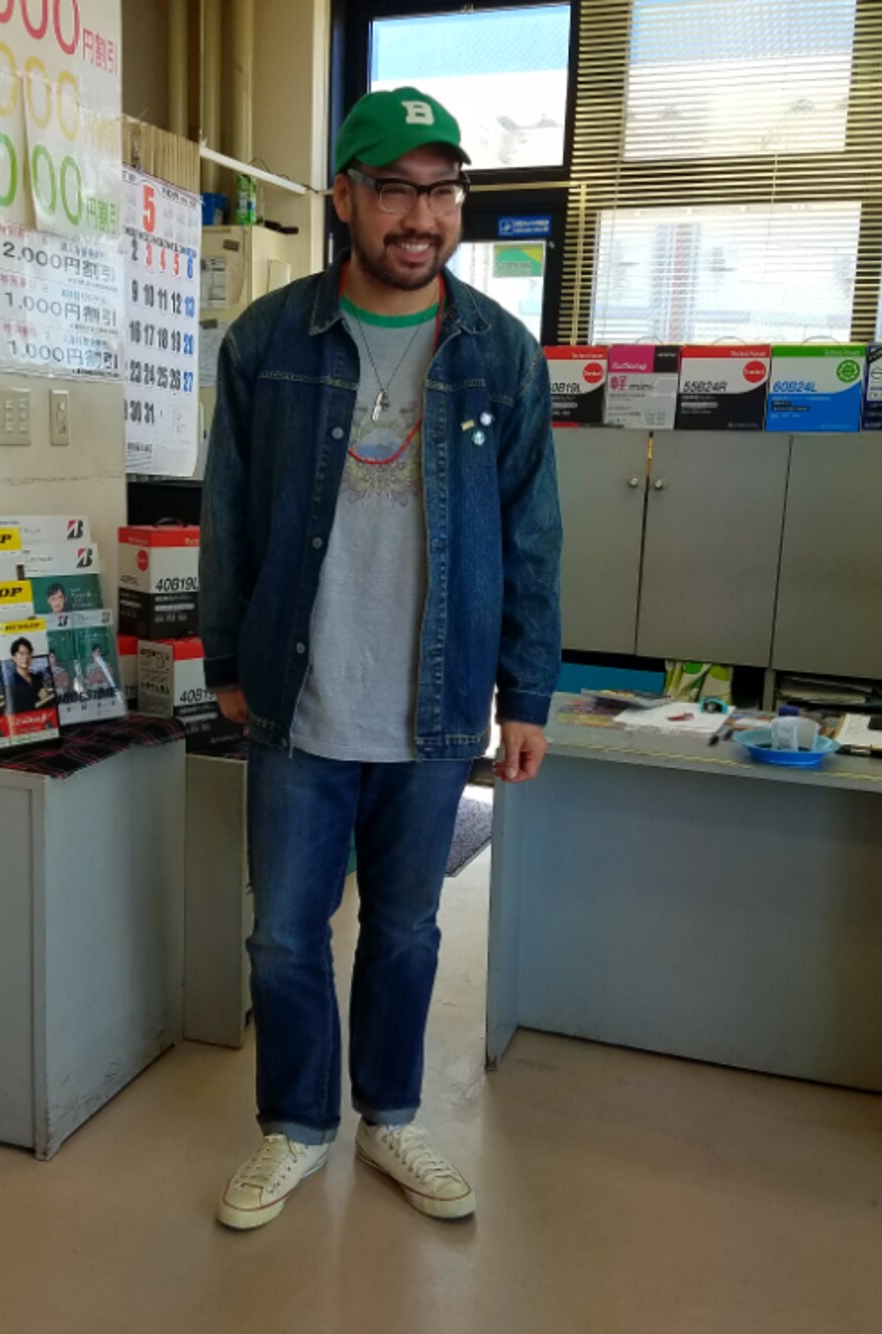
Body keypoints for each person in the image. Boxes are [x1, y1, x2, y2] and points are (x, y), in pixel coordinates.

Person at [200, 86, 561, 1231]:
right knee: (282, 931)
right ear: (344, 198)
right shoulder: (268, 341)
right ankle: (295, 1124)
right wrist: (224, 655)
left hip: (437, 697)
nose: (422, 215)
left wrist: (527, 691)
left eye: (442, 190)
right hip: (295, 688)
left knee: (405, 928)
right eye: (396, 189)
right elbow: (227, 517)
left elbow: (531, 531)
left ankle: (389, 1113)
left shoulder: (499, 355)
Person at [6, 636, 54, 714]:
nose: (25, 657)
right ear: (14, 657)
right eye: (21, 654)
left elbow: (44, 696)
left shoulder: (36, 678)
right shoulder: (12, 683)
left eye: (28, 653)